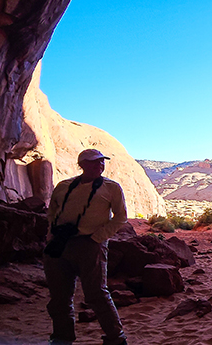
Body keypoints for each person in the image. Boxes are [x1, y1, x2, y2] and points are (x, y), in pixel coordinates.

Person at [44, 148, 128, 345]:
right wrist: (51, 235)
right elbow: (52, 212)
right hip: (60, 244)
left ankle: (116, 338)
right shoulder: (64, 186)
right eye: (93, 162)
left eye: (101, 161)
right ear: (81, 165)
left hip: (91, 244)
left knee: (97, 294)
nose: (99, 165)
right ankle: (61, 337)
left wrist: (98, 238)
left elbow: (121, 217)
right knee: (59, 295)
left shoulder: (111, 187)